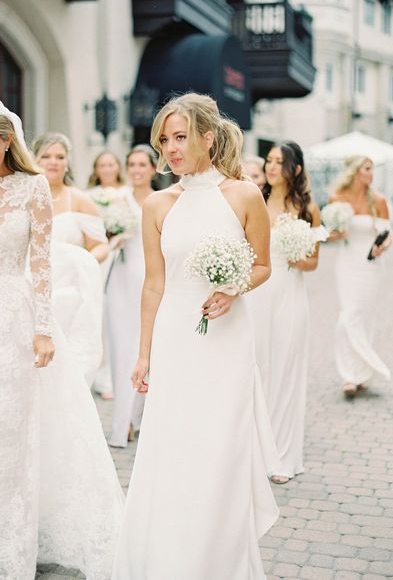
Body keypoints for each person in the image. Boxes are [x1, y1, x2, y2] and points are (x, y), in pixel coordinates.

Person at [0, 100, 123, 580]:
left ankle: (9, 537)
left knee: (8, 432)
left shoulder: (33, 187)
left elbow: (40, 264)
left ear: (9, 141)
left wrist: (44, 328)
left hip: (13, 318)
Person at [112, 93, 280, 580]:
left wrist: (233, 287)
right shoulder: (158, 204)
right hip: (176, 339)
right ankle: (169, 558)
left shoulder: (244, 194)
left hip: (227, 341)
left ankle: (218, 561)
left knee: (221, 449)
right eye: (164, 139)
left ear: (209, 137)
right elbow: (153, 284)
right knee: (173, 447)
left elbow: (264, 265)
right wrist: (144, 354)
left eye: (181, 137)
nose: (171, 149)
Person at [246, 142, 325, 485]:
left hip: (290, 296)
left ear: (294, 169)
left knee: (286, 370)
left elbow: (314, 262)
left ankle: (282, 456)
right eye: (270, 160)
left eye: (280, 161)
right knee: (257, 369)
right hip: (257, 296)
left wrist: (295, 255)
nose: (272, 166)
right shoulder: (255, 199)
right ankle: (253, 450)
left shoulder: (308, 208)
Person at [33, 132, 108, 386]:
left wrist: (82, 260)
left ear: (67, 162)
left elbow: (100, 246)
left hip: (69, 291)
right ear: (35, 159)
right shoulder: (25, 197)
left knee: (65, 361)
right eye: (46, 156)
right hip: (31, 288)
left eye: (59, 156)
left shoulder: (79, 199)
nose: (53, 162)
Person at [106, 145, 156, 448]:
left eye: (142, 164)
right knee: (121, 350)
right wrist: (115, 235)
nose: (137, 170)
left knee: (145, 351)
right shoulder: (116, 200)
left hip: (149, 282)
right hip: (122, 283)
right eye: (132, 165)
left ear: (152, 168)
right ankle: (121, 422)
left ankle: (140, 418)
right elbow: (103, 238)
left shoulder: (161, 200)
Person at [329, 155, 391, 398]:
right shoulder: (337, 199)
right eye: (367, 168)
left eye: (372, 169)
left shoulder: (379, 200)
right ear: (355, 172)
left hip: (372, 265)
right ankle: (348, 375)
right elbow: (331, 234)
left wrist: (382, 247)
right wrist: (337, 233)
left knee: (365, 317)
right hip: (347, 264)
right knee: (349, 315)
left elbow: (387, 233)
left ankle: (362, 373)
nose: (371, 173)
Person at [88, 151, 127, 400]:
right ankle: (99, 373)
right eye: (102, 164)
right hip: (97, 257)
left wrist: (120, 234)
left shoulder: (125, 194)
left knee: (117, 312)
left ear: (117, 167)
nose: (106, 168)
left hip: (119, 257)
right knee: (97, 311)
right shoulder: (88, 196)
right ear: (96, 168)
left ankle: (115, 374)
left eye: (110, 164)